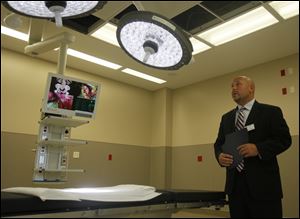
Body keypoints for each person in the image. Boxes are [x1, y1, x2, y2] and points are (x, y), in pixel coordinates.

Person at [214, 76, 291, 218]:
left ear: (251, 88)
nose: (234, 88)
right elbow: (219, 143)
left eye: (238, 84)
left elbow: (284, 140)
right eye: (231, 86)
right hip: (235, 188)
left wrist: (259, 148)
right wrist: (219, 156)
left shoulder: (271, 112)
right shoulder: (226, 118)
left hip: (264, 188)